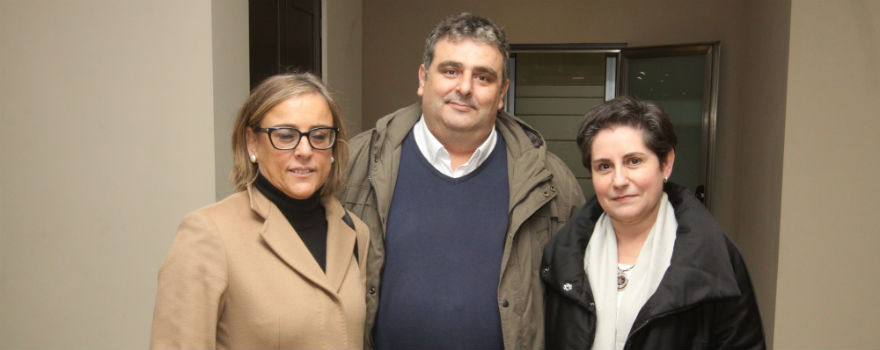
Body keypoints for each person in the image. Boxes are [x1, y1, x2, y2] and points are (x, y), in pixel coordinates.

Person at [340, 12, 585, 350]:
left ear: (502, 93)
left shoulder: (552, 183)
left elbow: (575, 307)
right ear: (424, 78)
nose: (465, 88)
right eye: (451, 71)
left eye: (483, 77)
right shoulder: (353, 164)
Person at [150, 73, 369, 349]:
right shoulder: (208, 234)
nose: (305, 150)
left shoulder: (353, 231)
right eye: (286, 135)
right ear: (252, 143)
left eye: (319, 135)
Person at [541, 96, 765, 349]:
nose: (619, 180)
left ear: (666, 163)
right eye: (604, 166)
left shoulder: (713, 257)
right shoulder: (561, 256)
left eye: (633, 161)